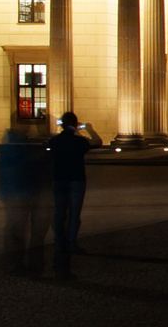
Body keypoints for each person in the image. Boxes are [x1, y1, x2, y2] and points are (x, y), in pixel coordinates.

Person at [49, 111, 102, 278]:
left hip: (59, 180)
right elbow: (97, 143)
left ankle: (59, 243)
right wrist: (88, 130)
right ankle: (71, 242)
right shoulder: (79, 141)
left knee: (59, 213)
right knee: (74, 213)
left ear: (62, 124)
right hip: (77, 180)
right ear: (75, 125)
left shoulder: (55, 141)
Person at [0, 126, 51, 276]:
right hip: (23, 194)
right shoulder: (21, 147)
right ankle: (32, 265)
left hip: (16, 194)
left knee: (16, 232)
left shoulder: (11, 146)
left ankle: (15, 264)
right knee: (29, 233)